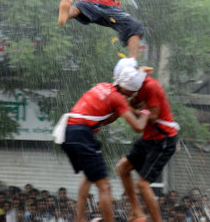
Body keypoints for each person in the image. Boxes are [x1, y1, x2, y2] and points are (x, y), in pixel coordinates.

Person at [52, 70, 151, 222]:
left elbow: (105, 120)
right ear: (129, 88)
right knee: (105, 187)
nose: (135, 93)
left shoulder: (103, 86)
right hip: (82, 134)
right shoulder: (118, 99)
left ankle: (79, 219)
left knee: (89, 177)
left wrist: (123, 110)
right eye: (134, 90)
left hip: (69, 132)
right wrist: (145, 111)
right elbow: (138, 127)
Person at [114, 59, 179, 222]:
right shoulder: (136, 86)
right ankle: (137, 212)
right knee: (122, 168)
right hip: (149, 138)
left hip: (163, 139)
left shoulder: (151, 86)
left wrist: (131, 110)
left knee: (143, 184)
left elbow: (153, 117)